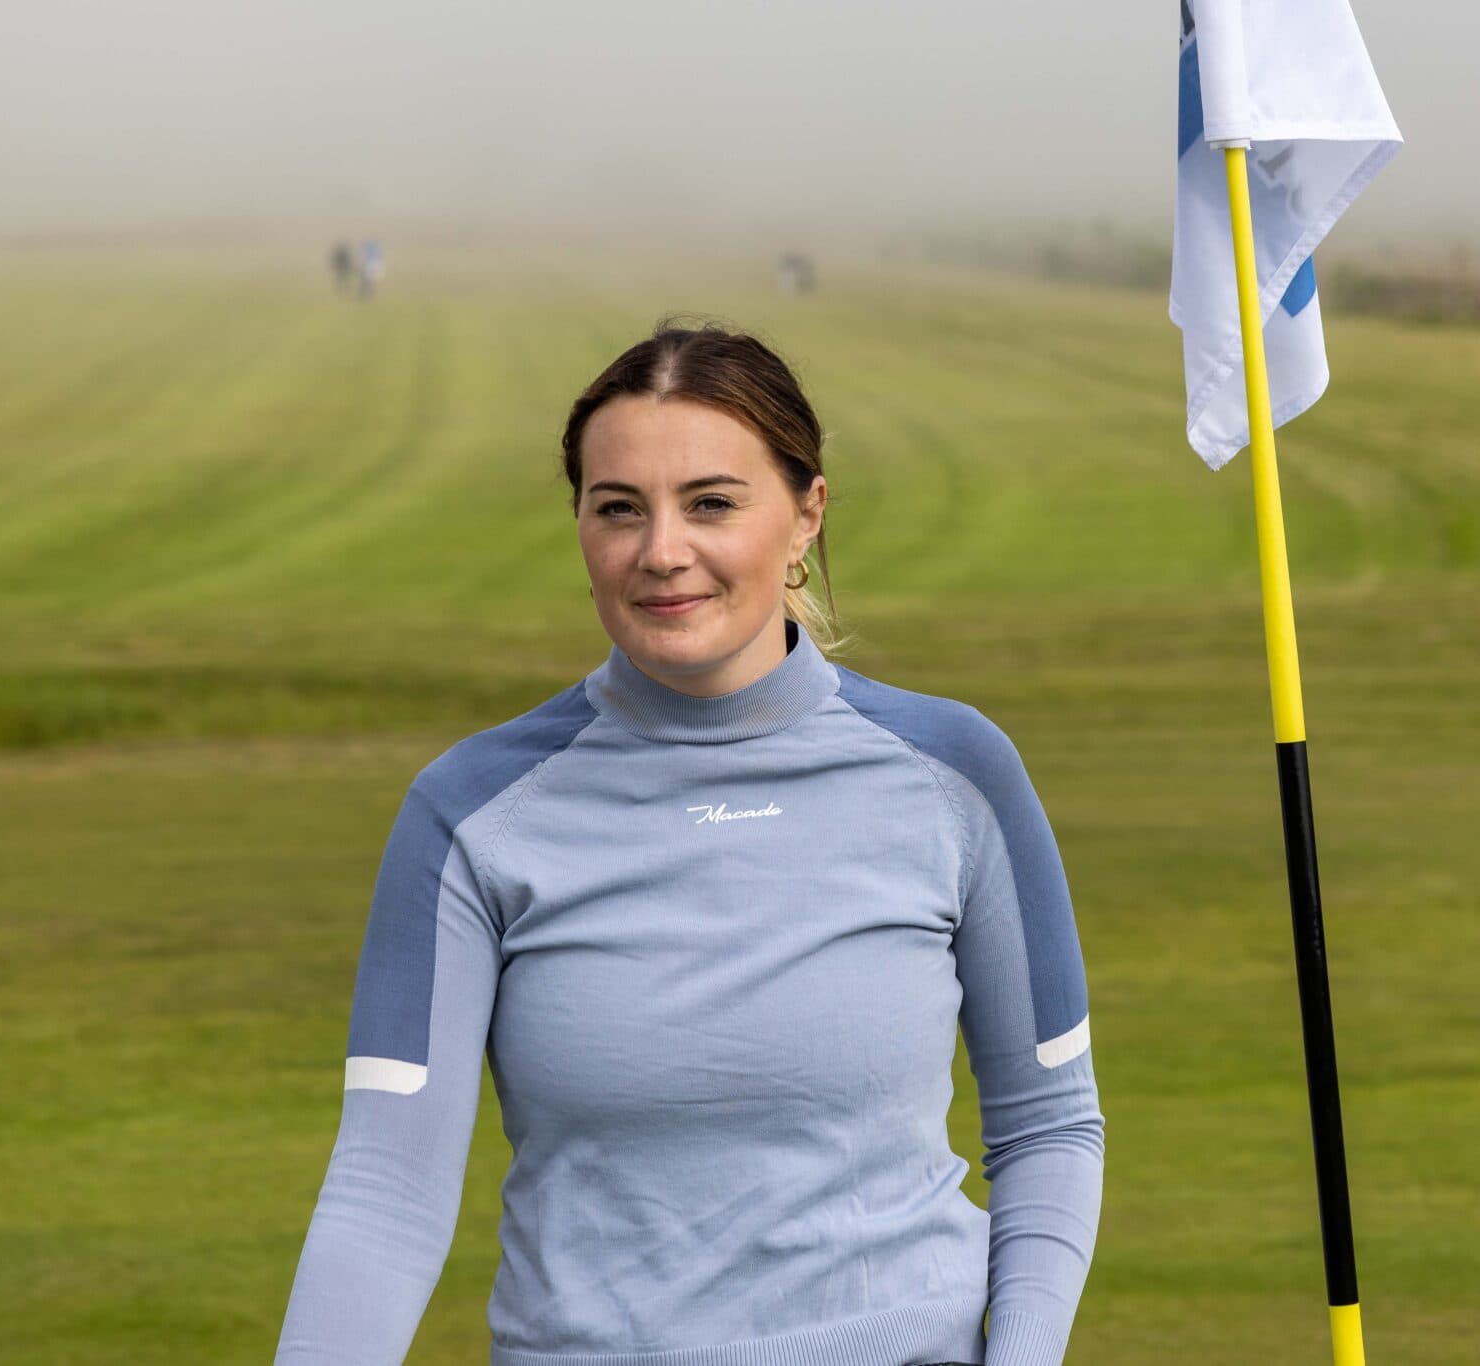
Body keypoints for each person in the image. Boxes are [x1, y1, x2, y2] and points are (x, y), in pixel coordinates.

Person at [274, 318, 1104, 1365]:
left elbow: (1047, 1125)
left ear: (805, 515)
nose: (661, 551)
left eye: (711, 502)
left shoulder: (957, 772)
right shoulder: (468, 811)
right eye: (618, 508)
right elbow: (387, 1191)